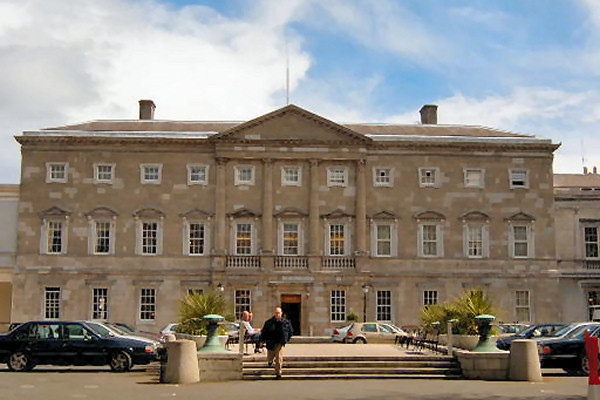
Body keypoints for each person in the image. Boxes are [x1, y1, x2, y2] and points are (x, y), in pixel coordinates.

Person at [260, 306, 293, 378]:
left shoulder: (286, 323)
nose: (277, 314)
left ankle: (278, 372)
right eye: (276, 313)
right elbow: (264, 332)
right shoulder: (269, 322)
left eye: (279, 313)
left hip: (280, 342)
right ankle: (270, 361)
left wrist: (286, 339)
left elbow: (290, 331)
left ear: (281, 313)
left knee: (278, 357)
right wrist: (262, 340)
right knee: (270, 356)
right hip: (271, 342)